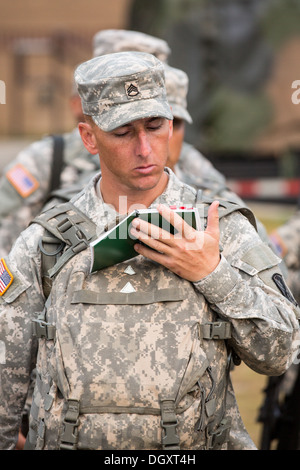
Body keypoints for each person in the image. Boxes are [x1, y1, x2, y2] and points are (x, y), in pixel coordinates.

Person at [0, 51, 299, 451]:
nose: (145, 149)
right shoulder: (46, 242)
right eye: (123, 132)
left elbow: (280, 353)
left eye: (155, 127)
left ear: (171, 124)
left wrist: (213, 273)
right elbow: (6, 378)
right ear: (88, 137)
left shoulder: (220, 227)